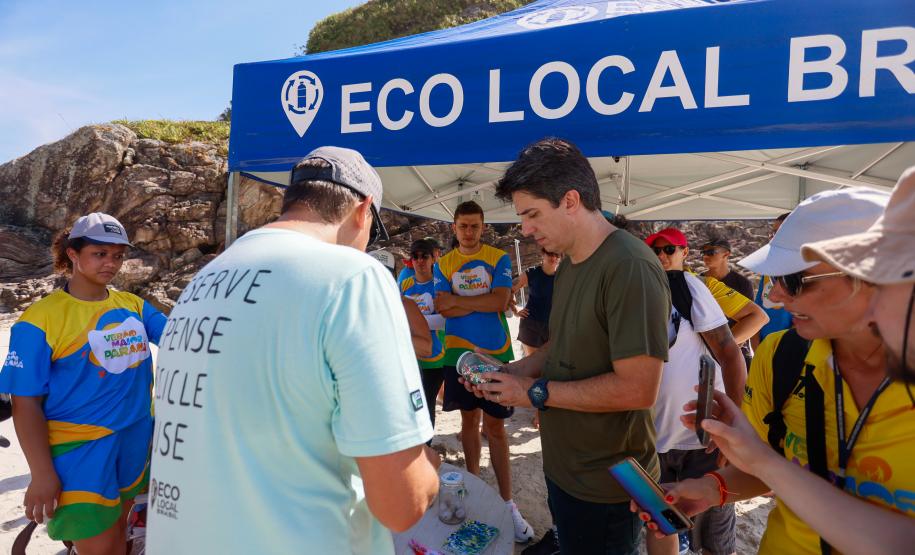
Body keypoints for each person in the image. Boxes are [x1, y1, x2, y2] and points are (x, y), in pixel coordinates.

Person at [145, 147, 440, 554]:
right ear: (363, 210)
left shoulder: (204, 280)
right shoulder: (353, 277)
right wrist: (429, 471)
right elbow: (400, 505)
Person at [638, 187, 915, 555]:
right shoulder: (781, 354)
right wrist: (713, 488)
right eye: (776, 279)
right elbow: (761, 469)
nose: (776, 296)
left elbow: (768, 465)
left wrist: (763, 462)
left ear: (870, 277)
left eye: (795, 280)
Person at [478, 138, 670, 555]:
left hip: (607, 485)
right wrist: (515, 373)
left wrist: (533, 393)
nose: (525, 229)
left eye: (532, 214)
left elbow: (639, 388)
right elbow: (562, 344)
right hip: (565, 469)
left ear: (570, 200)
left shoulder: (629, 266)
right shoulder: (570, 263)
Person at [0, 213, 167, 554]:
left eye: (118, 255)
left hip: (134, 443)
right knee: (101, 548)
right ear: (73, 255)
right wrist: (42, 474)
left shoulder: (133, 305)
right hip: (79, 453)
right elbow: (24, 403)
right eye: (100, 253)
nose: (111, 263)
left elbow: (181, 335)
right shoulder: (39, 320)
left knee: (120, 538)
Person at [433, 200, 534, 542]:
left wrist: (463, 302)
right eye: (463, 226)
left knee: (497, 428)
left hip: (495, 354)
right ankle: (474, 489)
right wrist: (483, 299)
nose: (469, 232)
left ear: (483, 226)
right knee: (468, 423)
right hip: (457, 352)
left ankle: (508, 503)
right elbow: (441, 306)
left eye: (475, 225)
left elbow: (498, 302)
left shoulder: (498, 257)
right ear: (454, 228)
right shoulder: (443, 263)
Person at [645, 228, 746, 555]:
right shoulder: (639, 292)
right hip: (656, 438)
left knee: (716, 533)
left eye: (668, 249)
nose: (662, 256)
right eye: (655, 250)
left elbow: (730, 353)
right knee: (662, 523)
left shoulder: (690, 287)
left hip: (700, 438)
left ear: (683, 252)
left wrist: (733, 428)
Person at [401, 238, 446, 431]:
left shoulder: (441, 285)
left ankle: (426, 446)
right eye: (415, 256)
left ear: (432, 259)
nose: (420, 260)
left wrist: (414, 321)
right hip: (411, 355)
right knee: (411, 403)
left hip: (436, 356)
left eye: (424, 256)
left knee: (426, 403)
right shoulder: (404, 284)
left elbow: (445, 320)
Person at [700, 236, 759, 369]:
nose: (705, 256)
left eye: (710, 252)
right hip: (704, 351)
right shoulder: (698, 282)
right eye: (703, 253)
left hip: (736, 351)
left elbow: (751, 319)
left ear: (726, 254)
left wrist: (729, 347)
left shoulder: (742, 283)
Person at [751, 212, 794, 350]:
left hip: (793, 350)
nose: (773, 239)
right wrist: (759, 351)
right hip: (765, 350)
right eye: (772, 233)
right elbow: (758, 310)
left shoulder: (809, 271)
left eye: (780, 233)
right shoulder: (769, 269)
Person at [512, 248, 562, 356]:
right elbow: (508, 291)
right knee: (531, 365)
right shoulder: (532, 273)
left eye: (556, 255)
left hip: (554, 327)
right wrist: (515, 311)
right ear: (543, 254)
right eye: (550, 254)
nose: (553, 257)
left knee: (550, 365)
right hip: (531, 325)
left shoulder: (562, 276)